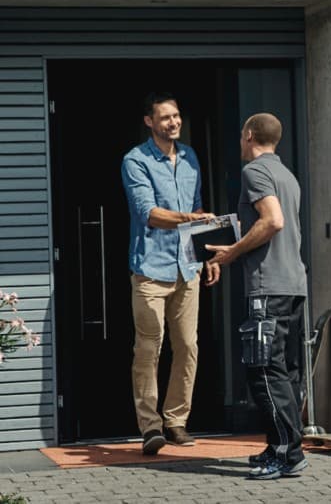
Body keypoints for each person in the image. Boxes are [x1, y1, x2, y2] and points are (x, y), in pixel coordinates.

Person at [205, 112, 308, 480]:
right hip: (292, 286)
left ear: (248, 135)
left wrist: (231, 253)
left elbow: (273, 220)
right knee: (284, 373)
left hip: (269, 288)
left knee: (264, 372)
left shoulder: (255, 172)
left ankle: (286, 454)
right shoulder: (286, 175)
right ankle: (280, 445)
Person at [121, 92, 220, 455]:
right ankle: (150, 427)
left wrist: (207, 256)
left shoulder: (190, 157)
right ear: (149, 121)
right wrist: (190, 219)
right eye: (165, 118)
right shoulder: (136, 160)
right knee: (149, 348)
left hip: (186, 267)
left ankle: (176, 420)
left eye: (176, 116)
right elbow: (148, 212)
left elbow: (196, 211)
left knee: (188, 346)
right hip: (150, 269)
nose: (173, 123)